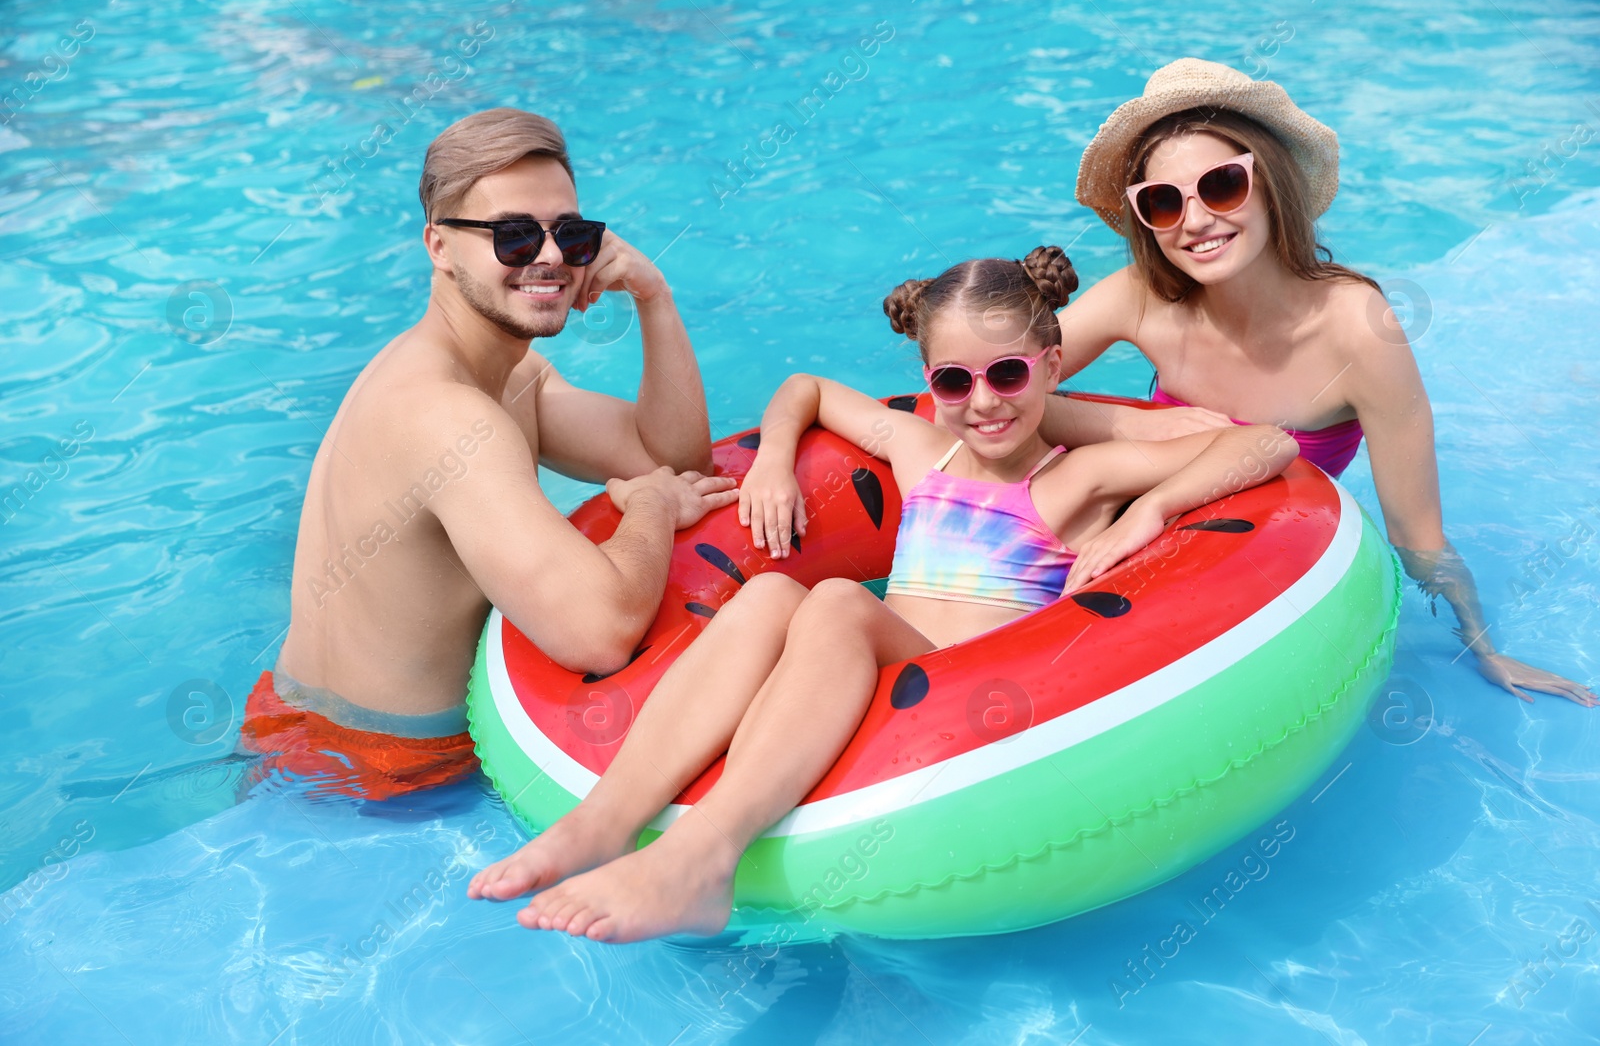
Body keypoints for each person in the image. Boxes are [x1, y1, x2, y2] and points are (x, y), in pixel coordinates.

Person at [467, 246, 1298, 942]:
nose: (982, 402)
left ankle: (705, 857)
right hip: (862, 677)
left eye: (1009, 373)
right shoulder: (919, 453)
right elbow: (809, 388)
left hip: (961, 704)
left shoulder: (1078, 479)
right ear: (928, 381)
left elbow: (1262, 442)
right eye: (953, 381)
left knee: (831, 598)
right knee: (763, 598)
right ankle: (605, 820)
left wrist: (1145, 506)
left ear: (1051, 365)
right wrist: (773, 458)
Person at [1037, 58, 1592, 707]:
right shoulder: (1142, 298)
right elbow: (1002, 391)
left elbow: (1418, 539)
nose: (1194, 221)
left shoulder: (1356, 329)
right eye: (1163, 201)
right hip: (1133, 537)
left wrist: (1483, 642)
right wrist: (1144, 424)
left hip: (1257, 573)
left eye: (1220, 186)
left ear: (1269, 185)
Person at [245, 109, 739, 799]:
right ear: (439, 246)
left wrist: (654, 297)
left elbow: (673, 456)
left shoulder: (511, 378)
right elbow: (599, 631)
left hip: (312, 736)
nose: (550, 258)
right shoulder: (446, 416)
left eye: (572, 234)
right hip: (377, 780)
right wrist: (651, 508)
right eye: (512, 235)